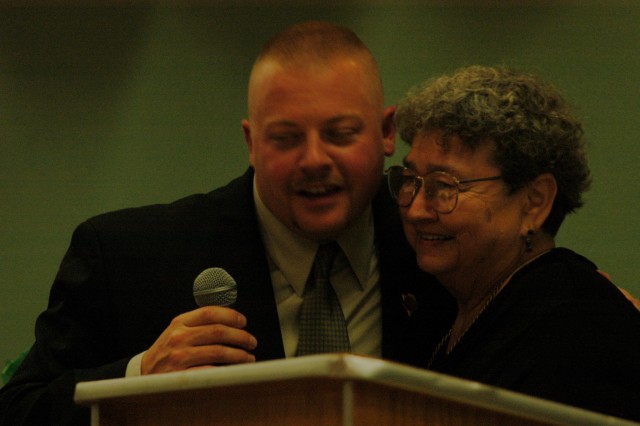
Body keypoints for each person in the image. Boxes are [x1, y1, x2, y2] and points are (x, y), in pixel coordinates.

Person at [0, 22, 455, 425]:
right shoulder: (126, 257)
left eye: (339, 134)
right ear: (251, 142)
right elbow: (18, 409)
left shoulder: (437, 251)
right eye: (286, 138)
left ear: (386, 132)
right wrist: (138, 377)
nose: (314, 160)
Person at [389, 65, 640, 420]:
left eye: (445, 186)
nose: (415, 210)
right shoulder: (446, 304)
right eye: (410, 179)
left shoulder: (579, 326)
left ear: (535, 201)